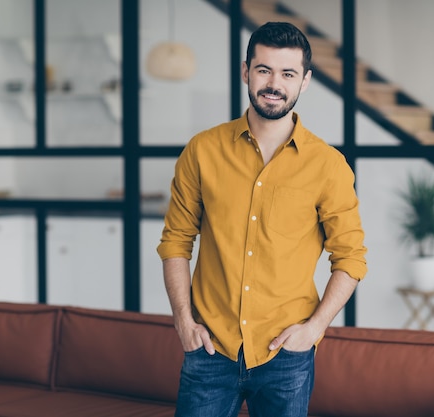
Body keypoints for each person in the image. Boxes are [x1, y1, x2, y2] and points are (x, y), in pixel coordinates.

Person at [157, 21, 367, 417]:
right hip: (209, 350)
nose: (274, 83)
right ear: (245, 72)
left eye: (287, 73)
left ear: (304, 81)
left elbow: (351, 258)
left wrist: (314, 329)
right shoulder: (202, 151)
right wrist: (183, 323)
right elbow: (175, 242)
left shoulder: (328, 166)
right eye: (264, 70)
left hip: (285, 355)